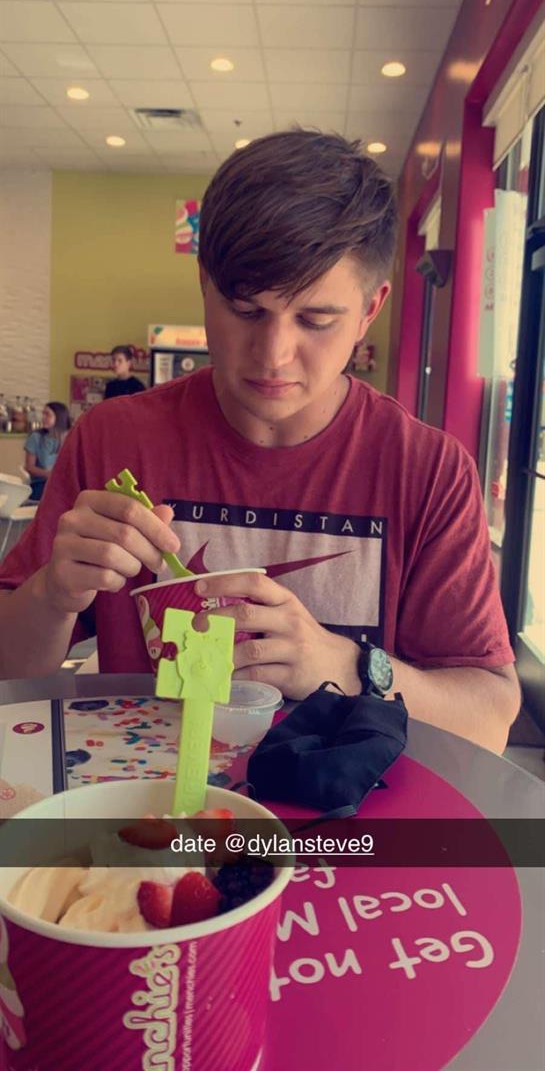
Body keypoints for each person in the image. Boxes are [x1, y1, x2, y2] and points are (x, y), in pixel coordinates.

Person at [0, 130, 519, 754]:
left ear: (369, 311)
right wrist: (53, 595)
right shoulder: (114, 438)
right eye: (246, 310)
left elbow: (489, 719)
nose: (273, 355)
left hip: (347, 827)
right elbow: (12, 675)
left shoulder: (427, 470)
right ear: (203, 285)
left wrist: (349, 667)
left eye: (315, 320)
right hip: (152, 816)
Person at [23, 402, 71, 502]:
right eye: (43, 414)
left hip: (63, 483)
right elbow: (29, 467)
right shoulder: (36, 437)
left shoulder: (70, 437)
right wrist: (49, 474)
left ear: (59, 417)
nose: (43, 417)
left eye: (47, 414)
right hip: (41, 484)